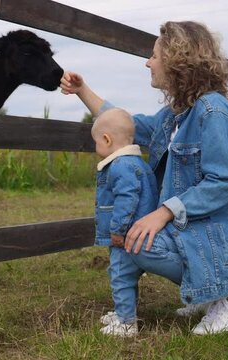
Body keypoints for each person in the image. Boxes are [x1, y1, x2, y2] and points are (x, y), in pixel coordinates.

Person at [61, 21, 228, 335]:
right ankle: (209, 291)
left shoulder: (213, 112)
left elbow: (223, 182)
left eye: (154, 55)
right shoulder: (175, 115)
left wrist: (162, 213)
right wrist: (82, 91)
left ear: (177, 61)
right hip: (200, 230)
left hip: (225, 235)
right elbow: (123, 125)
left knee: (138, 240)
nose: (148, 62)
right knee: (135, 238)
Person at [91, 108, 160, 337]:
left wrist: (118, 230)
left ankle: (126, 323)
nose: (96, 148)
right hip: (139, 234)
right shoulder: (138, 163)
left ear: (107, 139)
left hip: (127, 237)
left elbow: (127, 200)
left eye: (96, 142)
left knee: (120, 275)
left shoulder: (121, 166)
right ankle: (125, 310)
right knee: (128, 276)